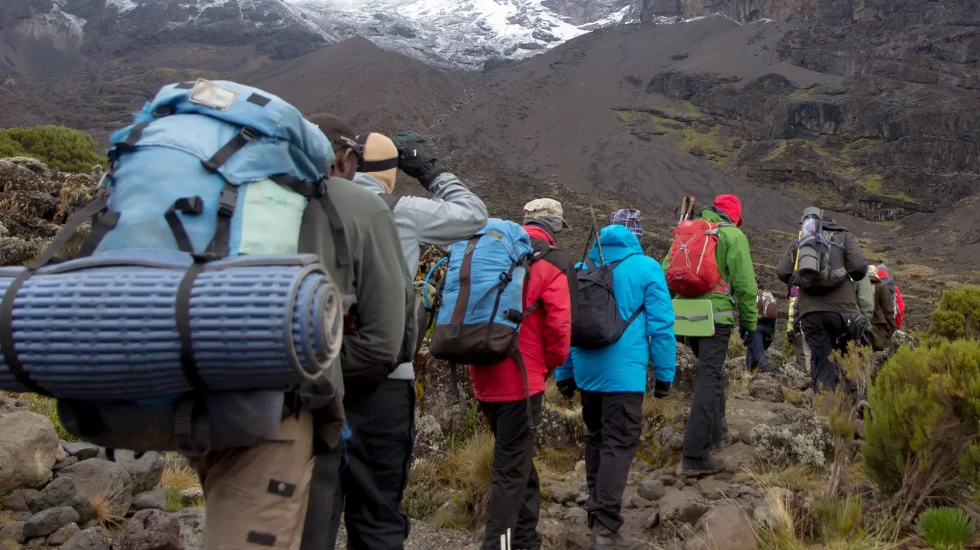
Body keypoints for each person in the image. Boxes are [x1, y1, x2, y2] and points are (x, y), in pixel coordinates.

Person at [325, 129, 488, 550]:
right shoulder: (402, 210)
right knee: (377, 513)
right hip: (384, 380)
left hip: (314, 377)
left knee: (312, 509)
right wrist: (431, 172)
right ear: (393, 172)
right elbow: (474, 214)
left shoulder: (307, 204)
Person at [298, 113, 411, 550]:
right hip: (374, 393)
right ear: (345, 160)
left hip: (271, 395)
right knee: (376, 519)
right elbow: (387, 338)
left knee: (306, 517)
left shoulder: (254, 203)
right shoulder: (368, 209)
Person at [558, 217, 675, 549]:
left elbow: (565, 322)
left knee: (596, 438)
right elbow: (662, 325)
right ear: (633, 240)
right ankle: (607, 526)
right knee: (619, 443)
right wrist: (665, 375)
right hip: (625, 374)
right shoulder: (646, 267)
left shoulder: (583, 266)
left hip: (586, 372)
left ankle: (596, 513)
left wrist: (564, 375)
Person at [469, 198, 573, 550]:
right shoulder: (551, 267)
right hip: (522, 379)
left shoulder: (492, 257)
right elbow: (559, 330)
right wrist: (552, 368)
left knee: (515, 456)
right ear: (554, 230)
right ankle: (497, 544)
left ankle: (526, 537)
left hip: (482, 373)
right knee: (510, 470)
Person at [665, 194, 758, 477]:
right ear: (734, 215)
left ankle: (718, 436)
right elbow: (744, 285)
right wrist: (750, 324)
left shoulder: (688, 231)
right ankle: (694, 456)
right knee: (709, 379)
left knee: (711, 376)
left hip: (681, 317)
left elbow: (666, 271)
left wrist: (665, 313)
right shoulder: (732, 235)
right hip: (714, 317)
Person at [776, 212, 868, 395]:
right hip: (844, 312)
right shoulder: (844, 236)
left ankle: (827, 410)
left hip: (811, 313)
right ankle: (858, 401)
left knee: (823, 363)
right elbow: (859, 268)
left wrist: (800, 280)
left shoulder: (800, 241)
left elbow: (781, 271)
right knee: (850, 356)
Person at [867, 265, 896, 351]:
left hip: (862, 324)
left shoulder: (859, 285)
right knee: (880, 352)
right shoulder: (881, 286)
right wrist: (893, 326)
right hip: (878, 325)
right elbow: (887, 309)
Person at [747, 287, 776, 373]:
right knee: (752, 350)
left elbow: (747, 316)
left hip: (756, 328)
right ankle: (750, 372)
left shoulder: (753, 296)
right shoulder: (769, 297)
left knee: (758, 353)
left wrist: (746, 332)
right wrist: (772, 331)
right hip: (768, 328)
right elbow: (775, 318)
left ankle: (769, 374)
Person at [786, 286, 809, 371]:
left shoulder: (793, 303)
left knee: (800, 350)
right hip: (805, 329)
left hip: (798, 331)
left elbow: (791, 318)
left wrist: (790, 331)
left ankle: (804, 370)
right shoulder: (804, 302)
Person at [876, 263, 905, 330]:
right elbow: (900, 308)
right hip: (889, 324)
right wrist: (897, 324)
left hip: (874, 325)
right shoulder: (893, 288)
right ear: (887, 273)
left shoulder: (871, 285)